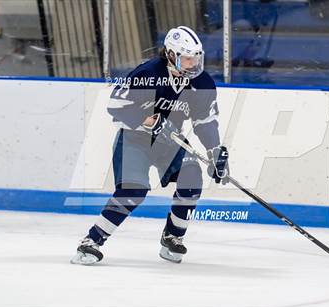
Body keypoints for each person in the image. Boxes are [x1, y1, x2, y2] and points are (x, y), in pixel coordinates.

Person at [71, 26, 230, 265]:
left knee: (192, 177)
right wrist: (151, 121)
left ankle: (172, 237)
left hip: (171, 141)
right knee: (134, 189)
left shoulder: (201, 83)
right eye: (187, 58)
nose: (193, 63)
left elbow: (205, 122)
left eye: (196, 57)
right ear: (171, 55)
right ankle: (91, 241)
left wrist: (215, 151)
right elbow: (116, 106)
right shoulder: (147, 73)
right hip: (136, 138)